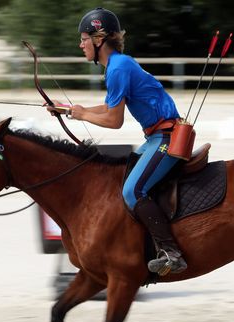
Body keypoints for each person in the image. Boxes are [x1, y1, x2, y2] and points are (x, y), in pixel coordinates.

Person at [47, 7, 187, 276]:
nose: (81, 44)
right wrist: (68, 109)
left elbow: (114, 120)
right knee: (123, 181)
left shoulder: (118, 68)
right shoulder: (119, 65)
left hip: (166, 138)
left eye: (84, 38)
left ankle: (171, 252)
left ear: (99, 39)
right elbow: (110, 106)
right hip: (156, 136)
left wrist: (82, 114)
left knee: (132, 192)